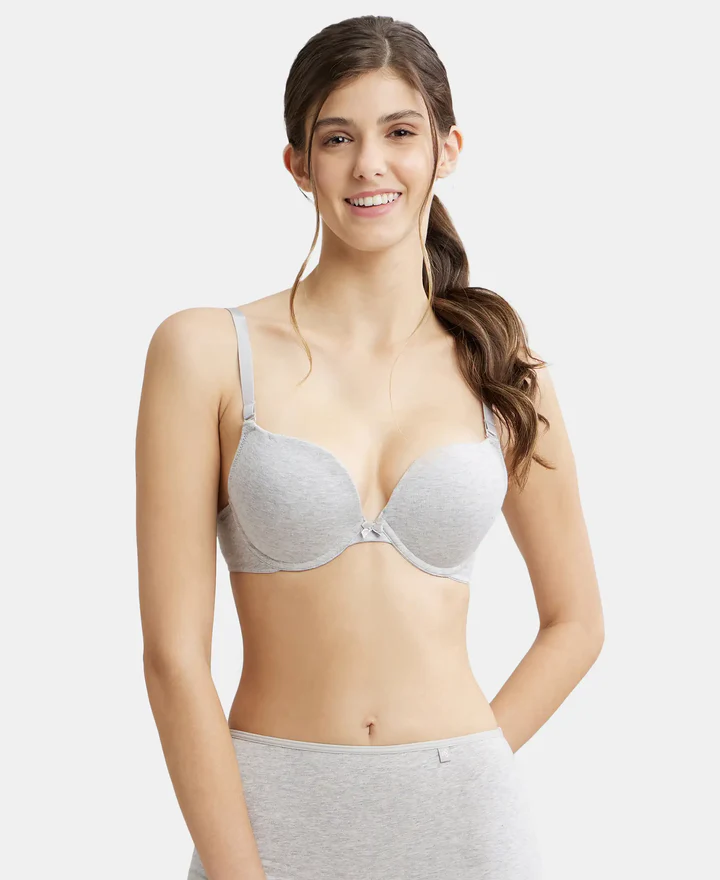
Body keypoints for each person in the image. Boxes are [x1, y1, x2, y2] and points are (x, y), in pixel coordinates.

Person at [136, 14, 604, 880]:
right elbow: (172, 659)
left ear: (447, 149)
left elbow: (577, 623)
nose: (369, 166)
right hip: (267, 815)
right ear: (297, 164)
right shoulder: (204, 353)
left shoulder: (504, 368)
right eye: (337, 138)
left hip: (467, 828)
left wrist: (460, 770)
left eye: (400, 132)